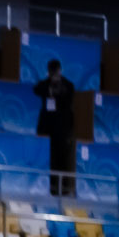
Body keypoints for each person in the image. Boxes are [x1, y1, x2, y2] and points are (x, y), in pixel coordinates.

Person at [34, 59, 76, 196]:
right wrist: (50, 86)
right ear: (49, 72)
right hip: (48, 129)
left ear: (60, 71)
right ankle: (51, 187)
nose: (54, 75)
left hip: (63, 129)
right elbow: (36, 89)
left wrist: (59, 89)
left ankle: (64, 188)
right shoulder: (45, 84)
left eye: (56, 72)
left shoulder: (68, 85)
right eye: (52, 72)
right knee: (50, 159)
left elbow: (69, 97)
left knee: (62, 159)